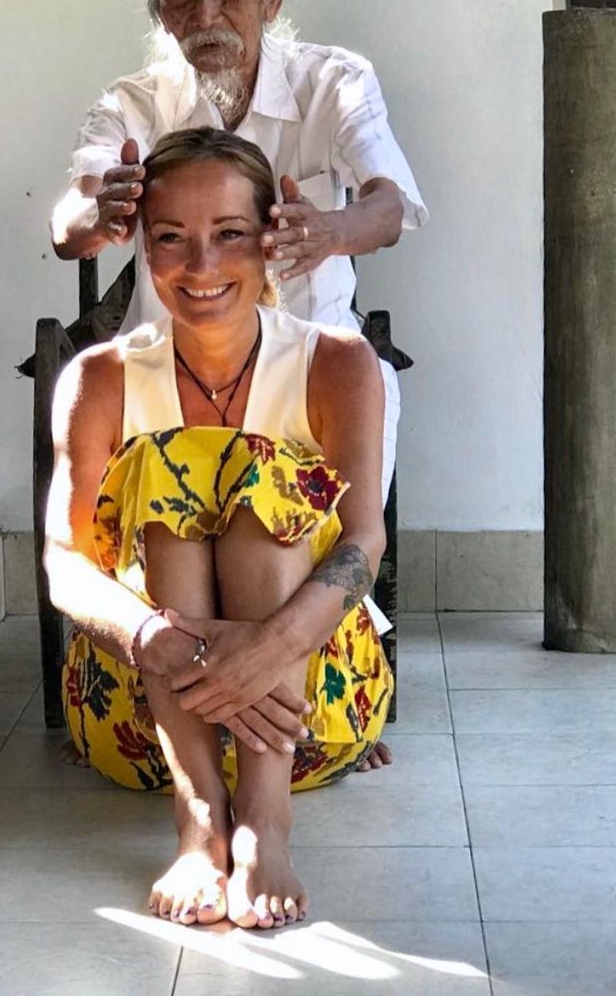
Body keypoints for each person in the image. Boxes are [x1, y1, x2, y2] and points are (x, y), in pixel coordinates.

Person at [44, 128, 393, 930]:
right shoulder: (99, 378)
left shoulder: (336, 362)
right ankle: (201, 821)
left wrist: (269, 649)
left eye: (230, 234)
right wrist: (161, 643)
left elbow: (363, 540)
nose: (200, 267)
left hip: (308, 712)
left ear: (272, 236)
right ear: (140, 243)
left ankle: (265, 821)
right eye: (171, 239)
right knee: (169, 466)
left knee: (260, 475)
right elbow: (65, 563)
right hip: (141, 711)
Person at [50, 0, 427, 503]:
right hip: (166, 381)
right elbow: (69, 223)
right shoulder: (131, 105)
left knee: (300, 551)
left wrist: (330, 231)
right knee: (159, 554)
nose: (205, 14)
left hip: (310, 379)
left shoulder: (333, 83)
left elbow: (388, 206)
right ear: (160, 13)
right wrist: (102, 213)